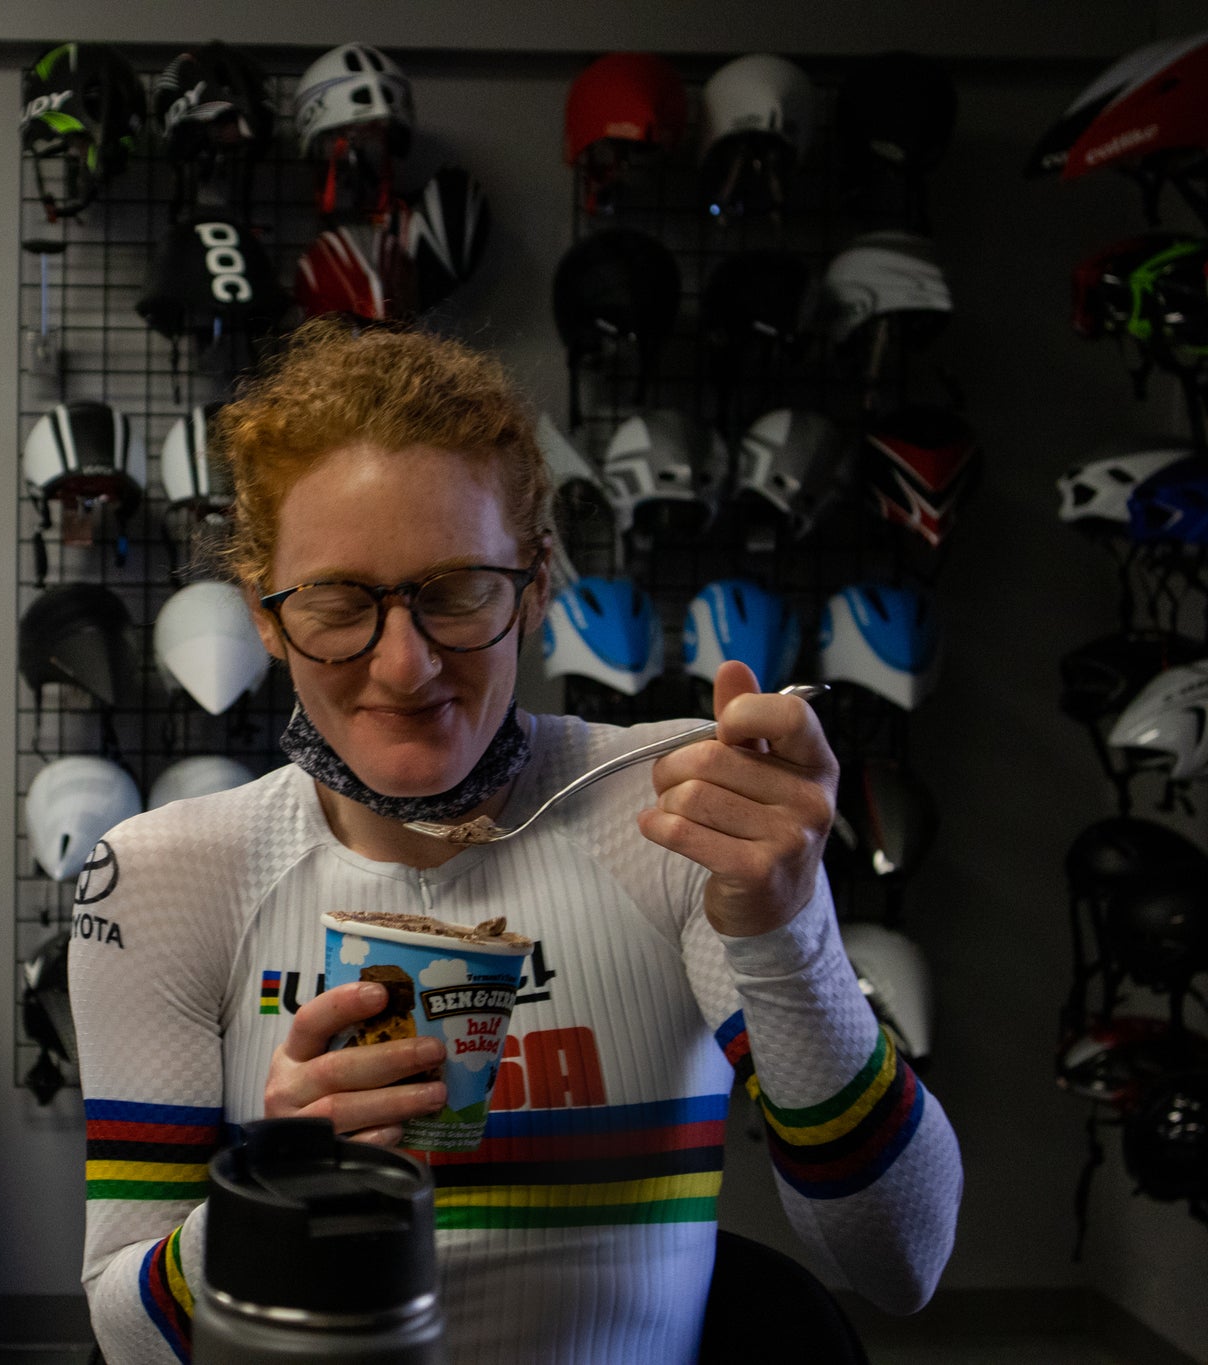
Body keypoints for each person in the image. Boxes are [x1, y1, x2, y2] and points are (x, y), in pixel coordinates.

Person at [69, 319, 961, 1365]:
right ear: (265, 613)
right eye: (338, 601)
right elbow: (124, 1339)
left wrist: (784, 932)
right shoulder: (164, 875)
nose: (404, 667)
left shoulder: (677, 812)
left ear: (535, 584)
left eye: (454, 593)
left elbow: (901, 1259)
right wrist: (274, 1189)